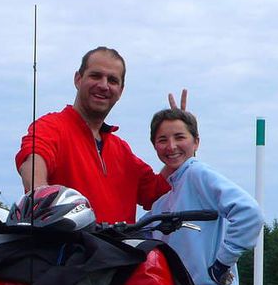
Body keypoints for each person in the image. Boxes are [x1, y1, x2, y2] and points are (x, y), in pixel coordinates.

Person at [147, 107, 264, 285]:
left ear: (196, 141)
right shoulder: (165, 199)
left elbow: (249, 212)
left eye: (180, 137)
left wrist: (222, 263)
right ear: (154, 146)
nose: (171, 146)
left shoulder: (196, 173)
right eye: (162, 140)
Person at [14, 47, 170, 223]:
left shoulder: (122, 150)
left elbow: (158, 192)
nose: (103, 85)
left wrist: (181, 145)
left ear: (120, 91)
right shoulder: (51, 126)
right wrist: (39, 193)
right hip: (67, 248)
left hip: (120, 249)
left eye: (112, 80)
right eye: (95, 76)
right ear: (78, 79)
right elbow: (34, 158)